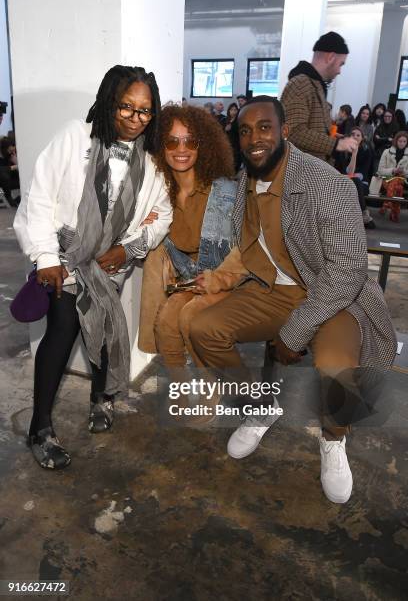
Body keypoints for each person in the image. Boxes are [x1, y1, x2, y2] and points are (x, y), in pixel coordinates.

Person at [187, 96, 397, 504]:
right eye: (245, 131)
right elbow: (248, 249)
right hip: (274, 291)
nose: (253, 138)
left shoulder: (328, 185)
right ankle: (260, 406)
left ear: (284, 131)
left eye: (264, 127)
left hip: (334, 295)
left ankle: (334, 438)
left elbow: (347, 272)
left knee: (333, 365)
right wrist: (219, 278)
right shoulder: (245, 181)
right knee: (201, 327)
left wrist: (294, 332)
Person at [13, 65, 173, 470]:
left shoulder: (151, 159)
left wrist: (128, 249)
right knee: (64, 328)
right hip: (66, 260)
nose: (136, 120)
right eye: (126, 108)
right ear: (108, 103)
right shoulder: (73, 136)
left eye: (145, 111)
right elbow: (40, 197)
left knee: (102, 331)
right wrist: (46, 258)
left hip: (109, 265)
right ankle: (40, 427)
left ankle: (101, 398)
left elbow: (162, 212)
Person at [138, 105, 240, 368]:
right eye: (172, 142)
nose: (181, 149)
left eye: (189, 141)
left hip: (227, 285)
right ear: (161, 147)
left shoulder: (227, 192)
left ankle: (209, 397)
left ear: (202, 145)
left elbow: (247, 251)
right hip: (189, 284)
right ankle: (180, 398)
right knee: (166, 323)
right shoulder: (158, 198)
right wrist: (145, 225)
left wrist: (218, 280)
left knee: (191, 319)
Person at [281, 31, 358, 162]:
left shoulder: (315, 85)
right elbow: (293, 132)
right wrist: (336, 144)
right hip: (300, 174)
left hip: (311, 172)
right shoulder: (301, 83)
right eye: (341, 64)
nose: (339, 71)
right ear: (330, 57)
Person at [335, 126, 375, 228]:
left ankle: (356, 217)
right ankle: (364, 214)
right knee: (353, 181)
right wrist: (353, 155)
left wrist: (355, 154)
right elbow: (347, 172)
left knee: (356, 181)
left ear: (362, 138)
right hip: (345, 180)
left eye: (358, 135)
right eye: (353, 134)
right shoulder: (342, 150)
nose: (355, 137)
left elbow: (363, 172)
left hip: (362, 183)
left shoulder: (367, 150)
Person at [377, 130, 408, 222]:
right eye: (400, 141)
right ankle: (394, 214)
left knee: (397, 181)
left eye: (404, 141)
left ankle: (386, 204)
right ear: (396, 141)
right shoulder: (386, 152)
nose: (402, 143)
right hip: (387, 180)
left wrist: (403, 171)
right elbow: (380, 170)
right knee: (398, 188)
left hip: (402, 179)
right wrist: (393, 170)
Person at [0, 135, 20, 207]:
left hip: (9, 182)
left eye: (14, 150)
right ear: (4, 149)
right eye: (10, 151)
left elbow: (20, 170)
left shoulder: (10, 156)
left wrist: (15, 160)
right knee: (3, 173)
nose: (12, 153)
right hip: (2, 185)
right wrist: (13, 167)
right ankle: (9, 198)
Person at [224, 102, 241, 172]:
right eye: (232, 110)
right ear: (229, 111)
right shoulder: (225, 120)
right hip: (226, 144)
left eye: (235, 110)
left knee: (235, 161)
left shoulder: (239, 121)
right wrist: (225, 129)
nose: (233, 112)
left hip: (236, 145)